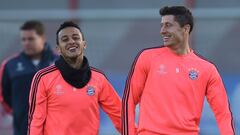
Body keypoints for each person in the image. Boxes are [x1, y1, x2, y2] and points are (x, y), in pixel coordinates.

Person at [122, 6, 235, 135]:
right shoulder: (147, 58)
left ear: (185, 29)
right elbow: (128, 101)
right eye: (162, 25)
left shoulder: (207, 69)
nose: (162, 31)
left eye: (168, 25)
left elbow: (223, 112)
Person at [28, 21, 121, 135]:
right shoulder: (43, 78)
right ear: (58, 49)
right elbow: (36, 122)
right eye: (65, 39)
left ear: (84, 44)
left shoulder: (99, 78)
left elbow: (120, 115)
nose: (71, 42)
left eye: (76, 38)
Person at [0, 20, 58, 135]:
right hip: (23, 130)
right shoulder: (10, 65)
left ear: (42, 38)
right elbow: (4, 96)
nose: (26, 43)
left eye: (31, 39)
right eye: (23, 39)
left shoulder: (61, 63)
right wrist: (19, 111)